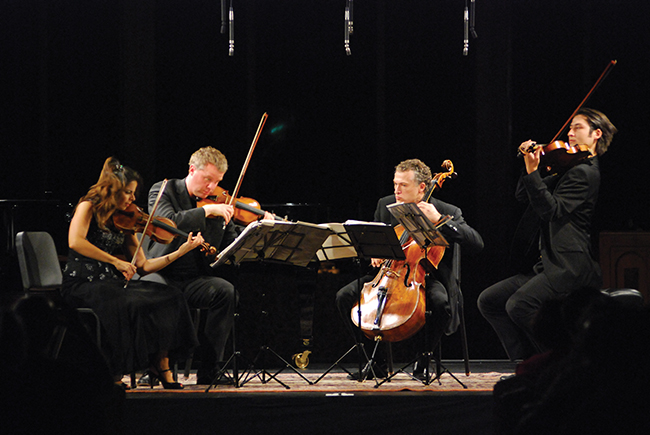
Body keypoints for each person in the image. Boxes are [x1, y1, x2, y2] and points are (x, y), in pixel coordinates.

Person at [477, 108, 617, 361]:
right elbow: (523, 196)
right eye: (570, 127)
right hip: (549, 263)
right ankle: (524, 363)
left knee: (518, 305)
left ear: (596, 134)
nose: (570, 133)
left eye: (578, 128)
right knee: (489, 301)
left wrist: (533, 173)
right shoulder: (568, 165)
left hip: (570, 266)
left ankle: (560, 362)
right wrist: (532, 167)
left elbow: (552, 211)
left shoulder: (585, 173)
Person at [335, 158, 484, 379]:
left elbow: (476, 243)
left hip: (426, 275)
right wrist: (376, 252)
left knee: (441, 303)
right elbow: (375, 240)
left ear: (421, 187)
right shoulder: (385, 205)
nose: (396, 190)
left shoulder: (446, 210)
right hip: (387, 273)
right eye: (395, 184)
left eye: (403, 185)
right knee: (344, 297)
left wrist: (440, 220)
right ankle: (375, 361)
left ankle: (423, 358)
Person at [61, 157, 202, 389]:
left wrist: (181, 251)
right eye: (128, 192)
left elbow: (144, 266)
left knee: (170, 296)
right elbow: (75, 241)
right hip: (81, 283)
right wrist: (115, 261)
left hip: (108, 283)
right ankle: (113, 373)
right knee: (125, 304)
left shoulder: (125, 219)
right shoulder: (87, 206)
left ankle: (161, 365)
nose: (133, 199)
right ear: (113, 189)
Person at [147, 146, 274, 384]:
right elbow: (167, 223)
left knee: (226, 291)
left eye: (216, 182)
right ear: (192, 170)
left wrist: (258, 231)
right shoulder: (165, 189)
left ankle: (209, 369)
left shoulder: (218, 203)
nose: (211, 188)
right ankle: (158, 365)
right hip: (161, 273)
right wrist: (205, 211)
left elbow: (231, 242)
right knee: (165, 295)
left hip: (194, 278)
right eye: (207, 180)